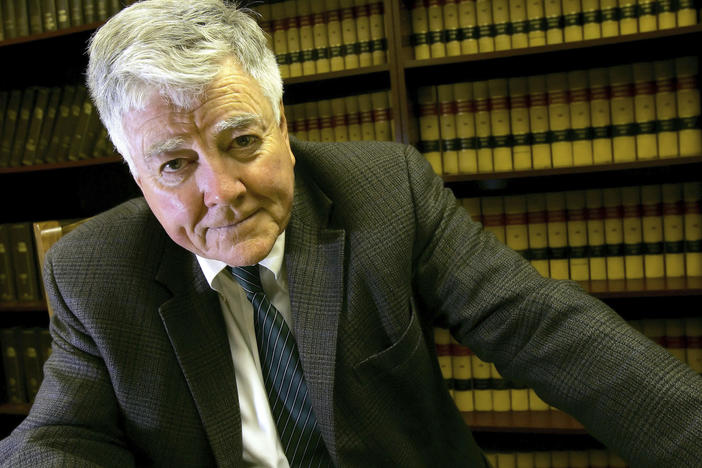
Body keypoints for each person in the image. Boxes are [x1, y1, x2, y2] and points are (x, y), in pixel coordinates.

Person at [1, 0, 701, 466]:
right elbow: (63, 434)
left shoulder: (385, 193)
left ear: (283, 125)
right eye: (175, 165)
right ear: (135, 172)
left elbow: (541, 327)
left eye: (242, 141)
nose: (222, 192)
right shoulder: (93, 268)